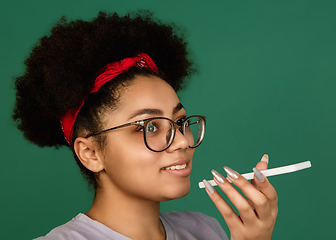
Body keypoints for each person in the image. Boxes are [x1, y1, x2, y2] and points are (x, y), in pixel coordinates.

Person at [13, 10, 278, 240]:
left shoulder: (205, 229)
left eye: (181, 122)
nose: (183, 141)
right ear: (90, 153)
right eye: (149, 126)